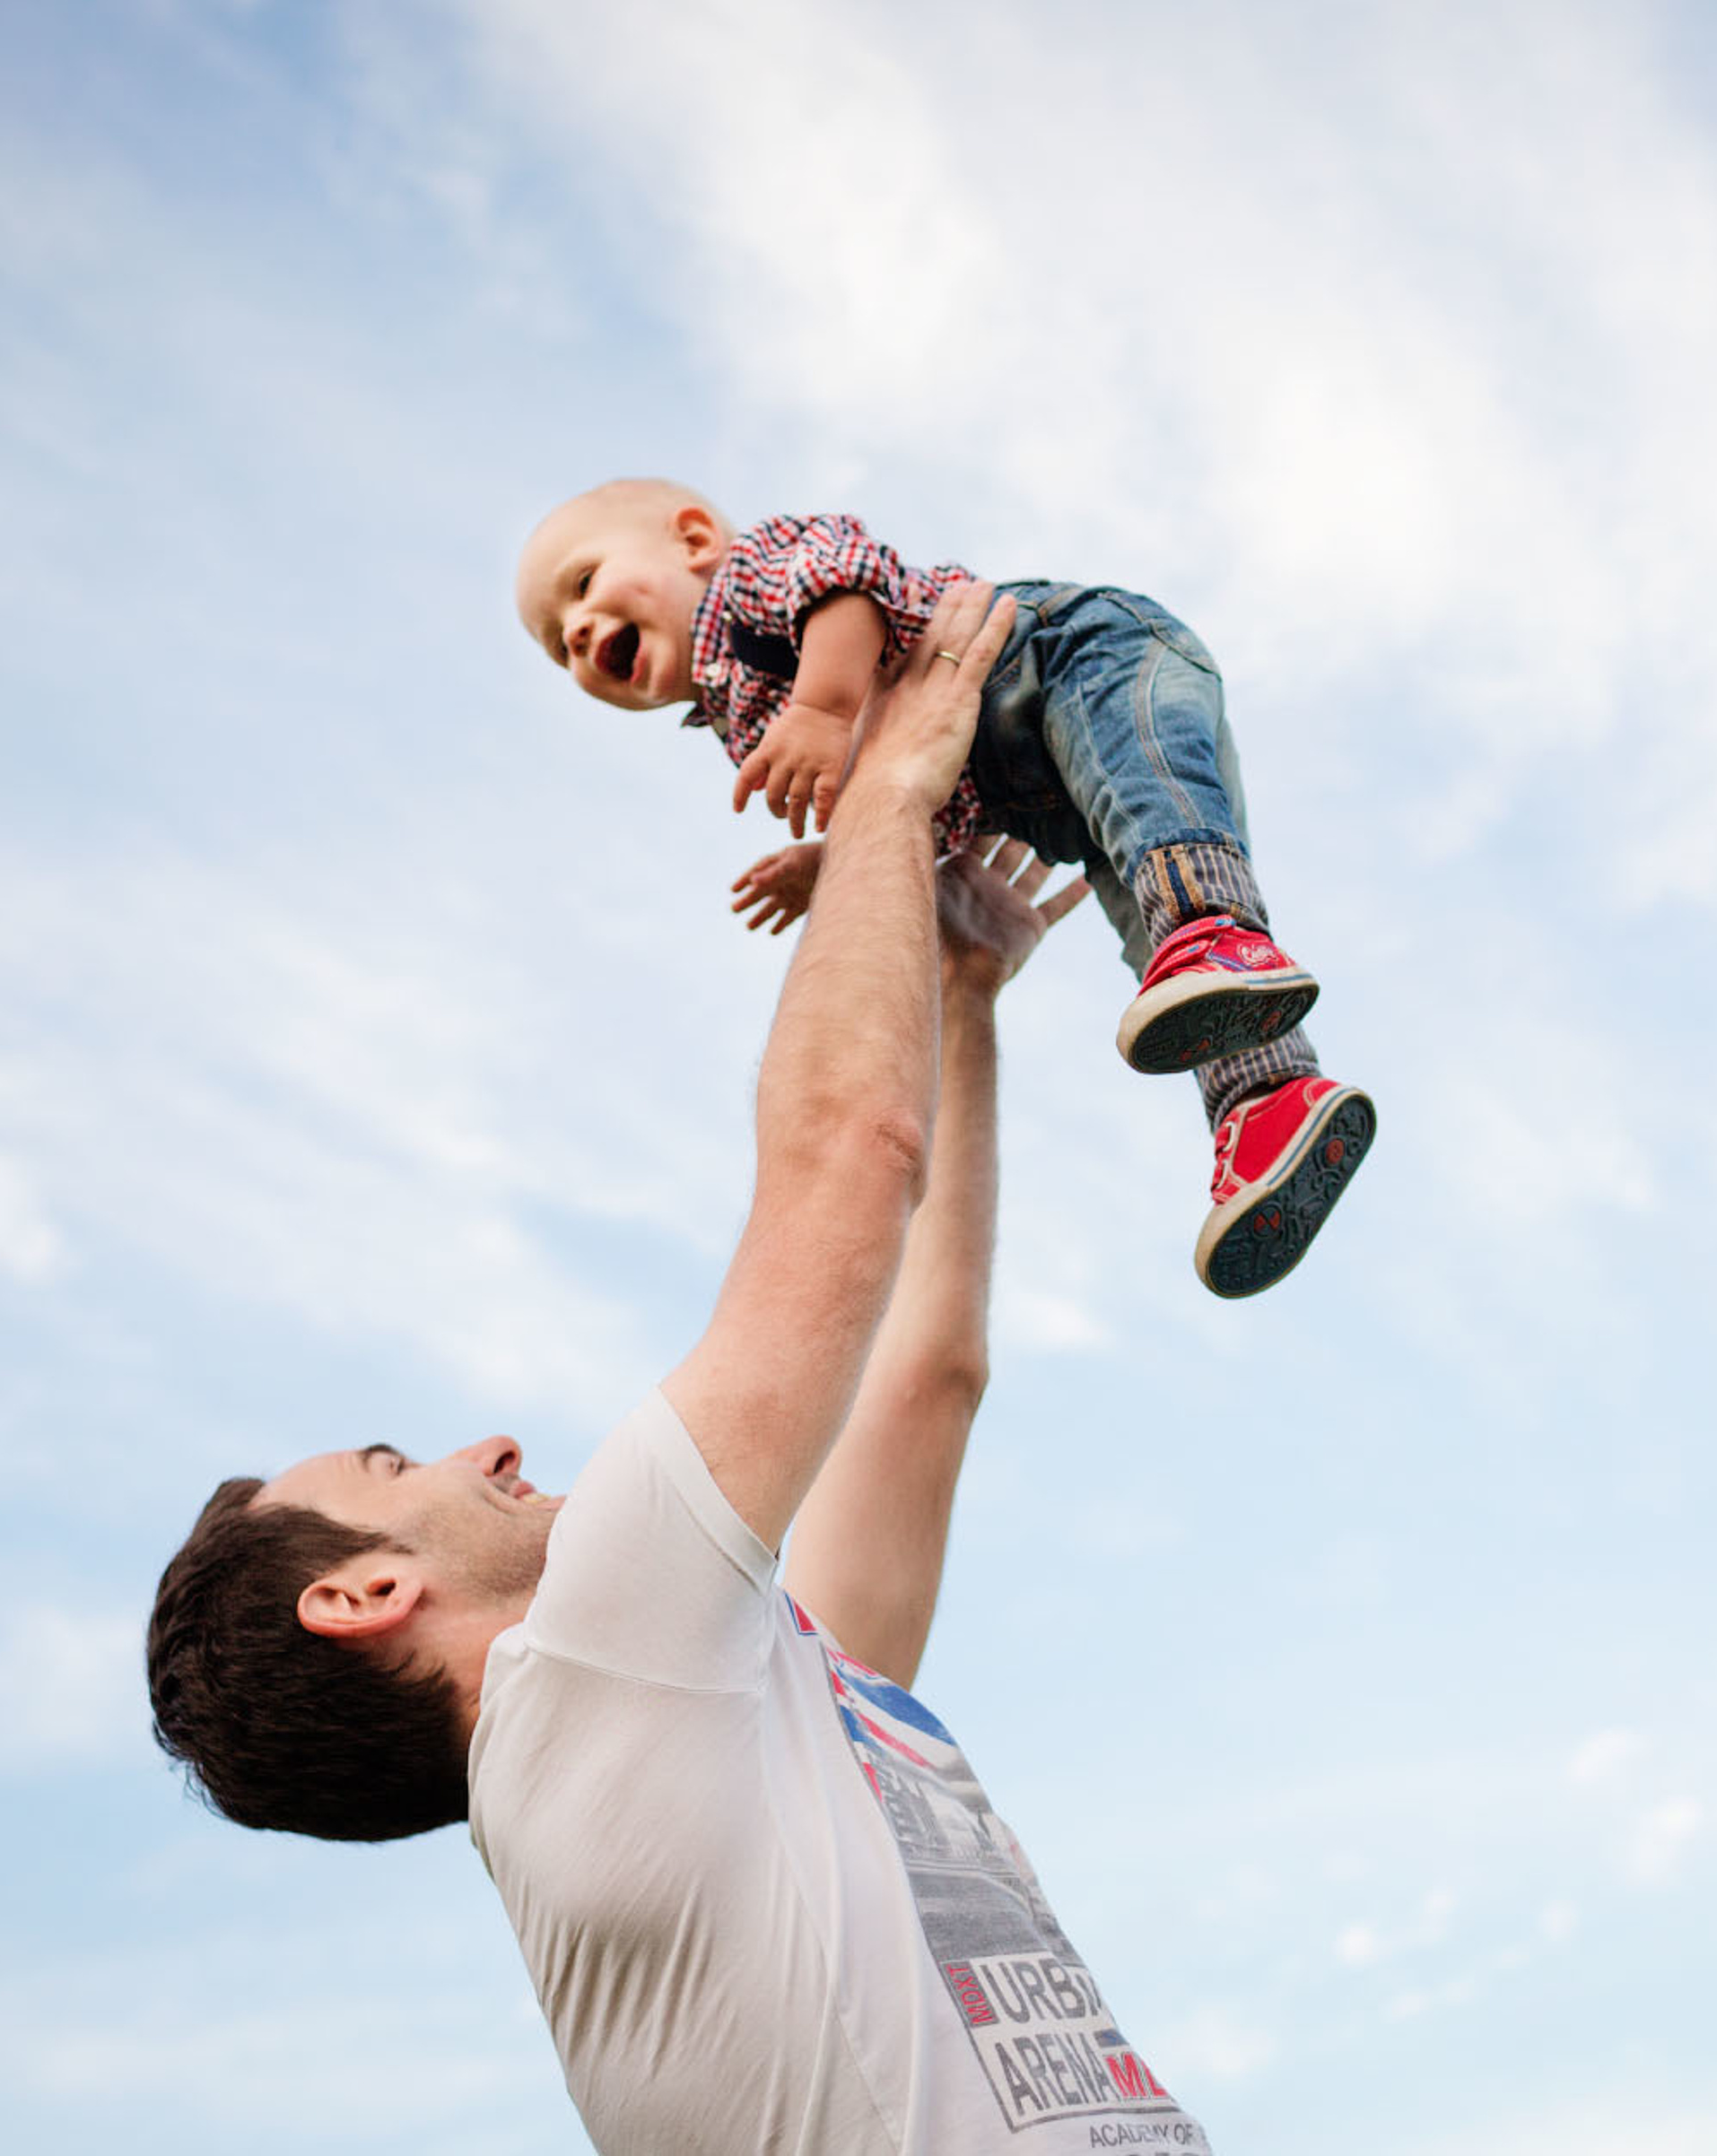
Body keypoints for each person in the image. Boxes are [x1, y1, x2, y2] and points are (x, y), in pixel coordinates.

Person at [146, 585, 1212, 2155]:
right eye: (394, 1472)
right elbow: (849, 1159)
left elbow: (925, 1383)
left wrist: (962, 996)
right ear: (363, 1597)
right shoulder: (582, 1675)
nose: (488, 1447)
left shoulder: (688, 1709)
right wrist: (894, 781)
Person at [514, 478, 1374, 1298]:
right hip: (1047, 788)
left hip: (1069, 660)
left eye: (583, 586)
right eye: (560, 647)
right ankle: (1270, 1104)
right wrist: (836, 857)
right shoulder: (745, 723)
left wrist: (821, 709)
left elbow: (846, 581)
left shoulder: (749, 586)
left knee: (1170, 853)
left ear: (694, 538)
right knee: (1165, 947)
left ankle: (1215, 930)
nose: (581, 632)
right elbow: (920, 787)